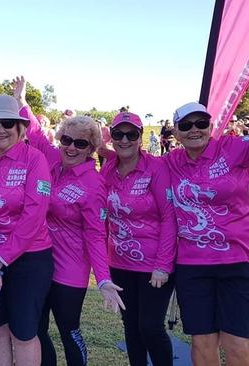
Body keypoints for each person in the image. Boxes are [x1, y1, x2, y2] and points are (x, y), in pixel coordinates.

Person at [15, 76, 125, 366]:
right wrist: (21, 100)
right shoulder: (52, 161)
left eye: (80, 143)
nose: (71, 147)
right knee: (36, 329)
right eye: (66, 140)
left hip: (71, 270)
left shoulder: (93, 184)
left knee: (68, 330)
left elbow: (96, 235)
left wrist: (102, 278)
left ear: (91, 148)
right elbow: (37, 135)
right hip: (40, 264)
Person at [166, 102, 249, 366]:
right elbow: (126, 157)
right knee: (202, 342)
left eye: (201, 123)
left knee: (236, 342)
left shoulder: (234, 149)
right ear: (176, 133)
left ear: (211, 126)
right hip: (192, 265)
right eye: (186, 125)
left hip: (238, 261)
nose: (195, 130)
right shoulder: (170, 162)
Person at [0, 95, 53, 366]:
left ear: (20, 127)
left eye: (8, 122)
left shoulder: (35, 159)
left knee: (24, 333)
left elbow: (34, 216)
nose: (0, 129)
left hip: (29, 259)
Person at [101, 112, 177, 366]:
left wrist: (163, 265)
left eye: (131, 134)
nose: (124, 140)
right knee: (131, 325)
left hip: (153, 264)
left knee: (151, 326)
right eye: (118, 134)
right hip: (119, 262)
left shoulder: (156, 167)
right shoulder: (108, 168)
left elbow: (169, 217)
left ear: (140, 137)